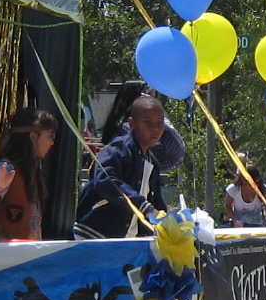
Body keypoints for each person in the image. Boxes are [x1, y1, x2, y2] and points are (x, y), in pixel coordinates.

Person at [76, 94, 186, 237]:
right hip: (94, 235)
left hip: (124, 240)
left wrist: (166, 218)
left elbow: (155, 203)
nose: (155, 129)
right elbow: (106, 180)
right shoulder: (118, 149)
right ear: (132, 124)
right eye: (147, 122)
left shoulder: (152, 163)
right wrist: (144, 206)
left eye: (160, 123)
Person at [0, 105, 59, 241]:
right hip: (6, 252)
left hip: (27, 249)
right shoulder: (7, 168)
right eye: (50, 135)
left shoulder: (32, 168)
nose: (52, 142)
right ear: (34, 137)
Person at [225, 154, 266, 227]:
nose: (254, 186)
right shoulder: (233, 189)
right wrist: (235, 220)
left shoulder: (264, 189)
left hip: (257, 226)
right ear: (244, 181)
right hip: (239, 226)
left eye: (257, 183)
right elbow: (227, 206)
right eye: (251, 183)